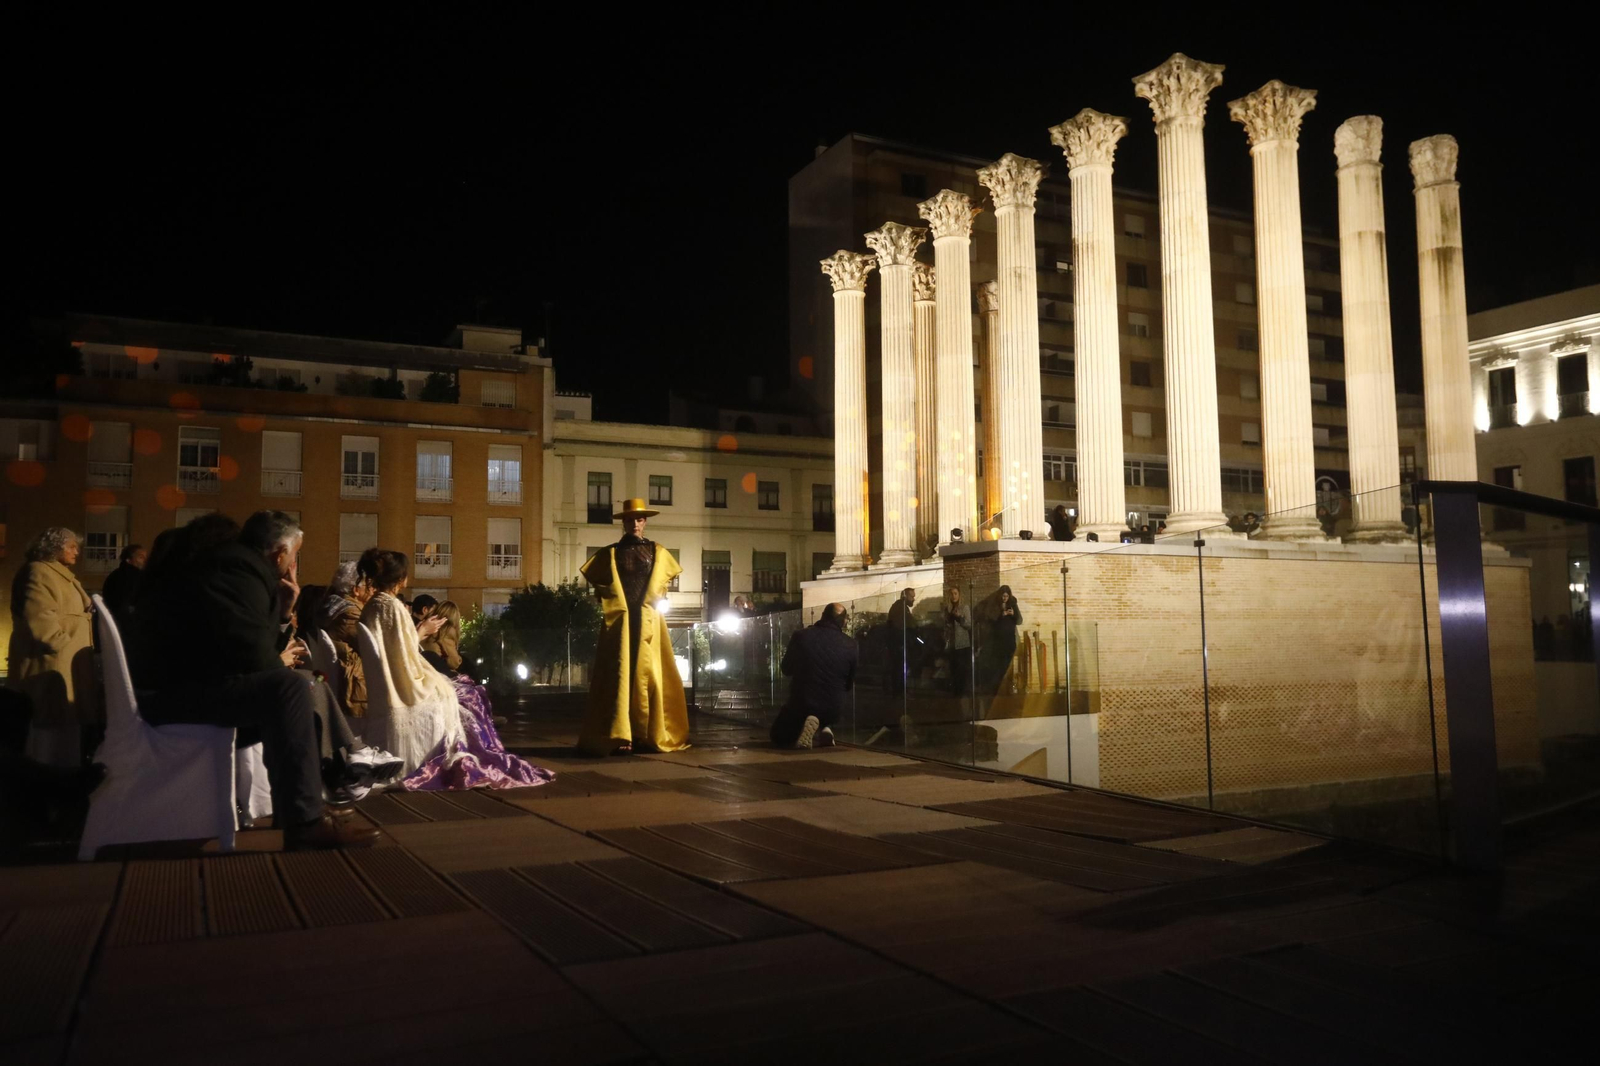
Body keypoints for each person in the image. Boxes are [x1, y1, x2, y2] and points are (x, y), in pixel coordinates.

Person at [132, 511, 378, 849]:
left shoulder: (234, 569)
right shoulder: (238, 570)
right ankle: (305, 818)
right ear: (280, 554)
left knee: (301, 685)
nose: (294, 563)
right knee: (293, 687)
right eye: (295, 554)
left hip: (181, 687)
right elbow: (254, 657)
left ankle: (308, 803)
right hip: (173, 694)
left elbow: (250, 648)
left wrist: (285, 613)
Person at [358, 549, 551, 789]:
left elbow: (397, 650)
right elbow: (404, 654)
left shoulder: (372, 606)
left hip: (389, 685)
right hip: (404, 685)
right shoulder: (392, 607)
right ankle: (478, 752)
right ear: (401, 579)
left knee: (463, 690)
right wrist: (423, 632)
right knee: (468, 694)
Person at [577, 498, 691, 756]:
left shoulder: (658, 552)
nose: (635, 523)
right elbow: (601, 588)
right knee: (620, 673)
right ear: (623, 522)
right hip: (620, 620)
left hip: (648, 618)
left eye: (639, 519)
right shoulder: (610, 554)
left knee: (648, 673)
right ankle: (622, 734)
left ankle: (646, 733)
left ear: (645, 522)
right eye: (630, 519)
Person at [7, 527, 101, 768]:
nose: (76, 551)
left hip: (64, 668)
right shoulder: (39, 572)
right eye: (71, 546)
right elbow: (39, 619)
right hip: (51, 668)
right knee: (47, 737)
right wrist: (63, 645)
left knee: (64, 733)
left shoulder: (59, 574)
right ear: (54, 547)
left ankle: (59, 787)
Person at [769, 603, 858, 748]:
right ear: (843, 621)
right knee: (826, 700)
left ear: (823, 616)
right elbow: (849, 683)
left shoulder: (801, 636)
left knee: (778, 737)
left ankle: (810, 723)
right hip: (834, 707)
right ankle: (825, 726)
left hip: (802, 703)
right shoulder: (851, 644)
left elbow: (786, 669)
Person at [319, 562, 371, 717]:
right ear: (356, 590)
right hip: (357, 687)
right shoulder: (350, 615)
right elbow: (376, 650)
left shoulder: (330, 607)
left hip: (345, 680)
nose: (373, 591)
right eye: (369, 587)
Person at [980, 585, 1023, 696]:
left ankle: (1008, 689)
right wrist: (1001, 615)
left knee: (1009, 666)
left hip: (1009, 641)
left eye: (1006, 596)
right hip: (998, 642)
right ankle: (999, 690)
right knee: (998, 666)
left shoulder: (1013, 604)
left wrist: (1013, 614)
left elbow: (1019, 620)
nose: (1004, 598)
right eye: (1003, 596)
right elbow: (991, 621)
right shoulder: (995, 605)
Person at [98, 543, 147, 636]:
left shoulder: (114, 575)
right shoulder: (135, 577)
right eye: (141, 557)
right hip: (128, 629)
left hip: (115, 627)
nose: (145, 560)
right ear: (128, 560)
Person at [420, 600, 462, 676]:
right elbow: (454, 662)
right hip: (436, 673)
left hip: (421, 669)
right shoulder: (446, 630)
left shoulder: (425, 625)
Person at [944, 587, 973, 697]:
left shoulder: (964, 607)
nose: (954, 596)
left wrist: (959, 617)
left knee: (962, 668)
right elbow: (945, 625)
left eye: (956, 593)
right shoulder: (948, 608)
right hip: (952, 643)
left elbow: (969, 625)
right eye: (951, 593)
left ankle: (962, 691)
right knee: (953, 668)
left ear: (959, 595)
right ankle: (955, 692)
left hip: (962, 643)